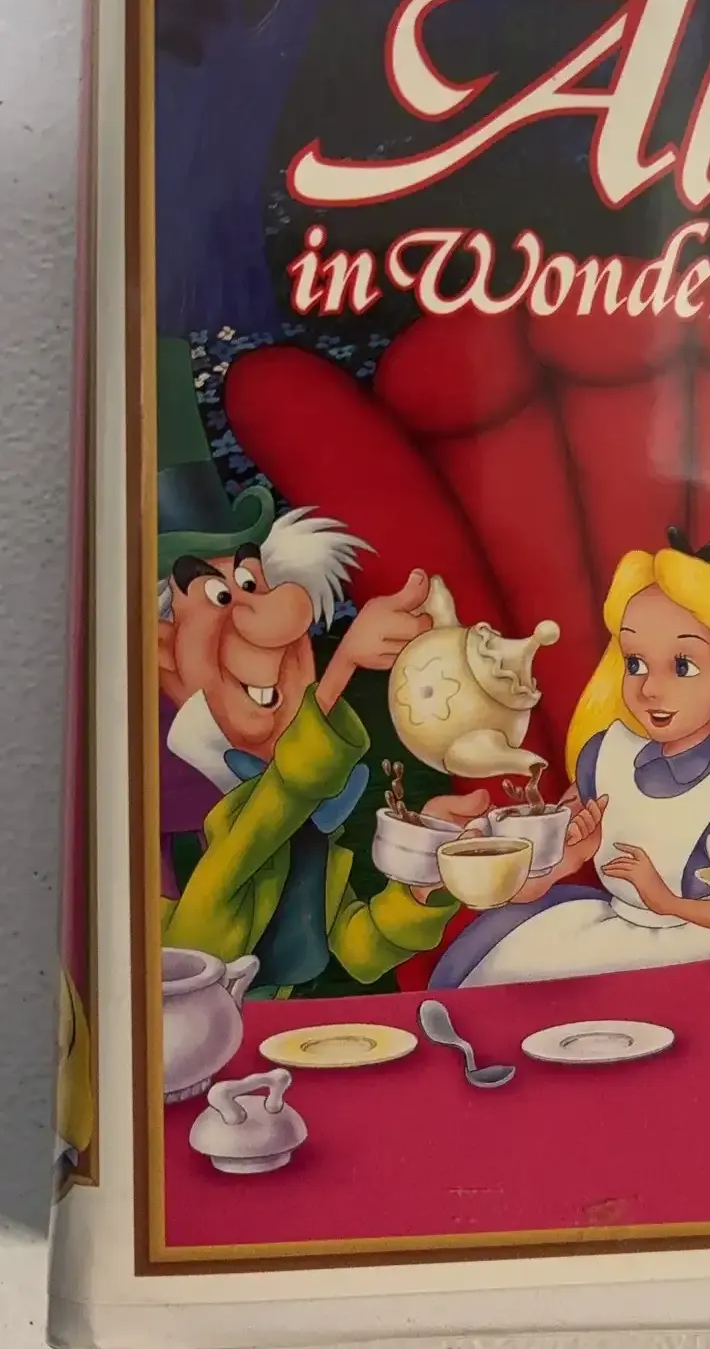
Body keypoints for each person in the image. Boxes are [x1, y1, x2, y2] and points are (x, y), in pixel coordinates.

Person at [155, 337, 482, 992]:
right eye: (220, 598)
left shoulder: (285, 796)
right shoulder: (163, 808)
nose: (278, 623)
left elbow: (355, 949)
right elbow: (200, 943)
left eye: (253, 581)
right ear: (162, 649)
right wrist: (341, 672)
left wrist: (431, 871)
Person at [431, 532, 710, 986]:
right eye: (635, 663)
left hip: (701, 954)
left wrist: (666, 901)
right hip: (605, 933)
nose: (650, 689)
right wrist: (561, 858)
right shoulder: (605, 755)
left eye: (682, 666)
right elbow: (535, 883)